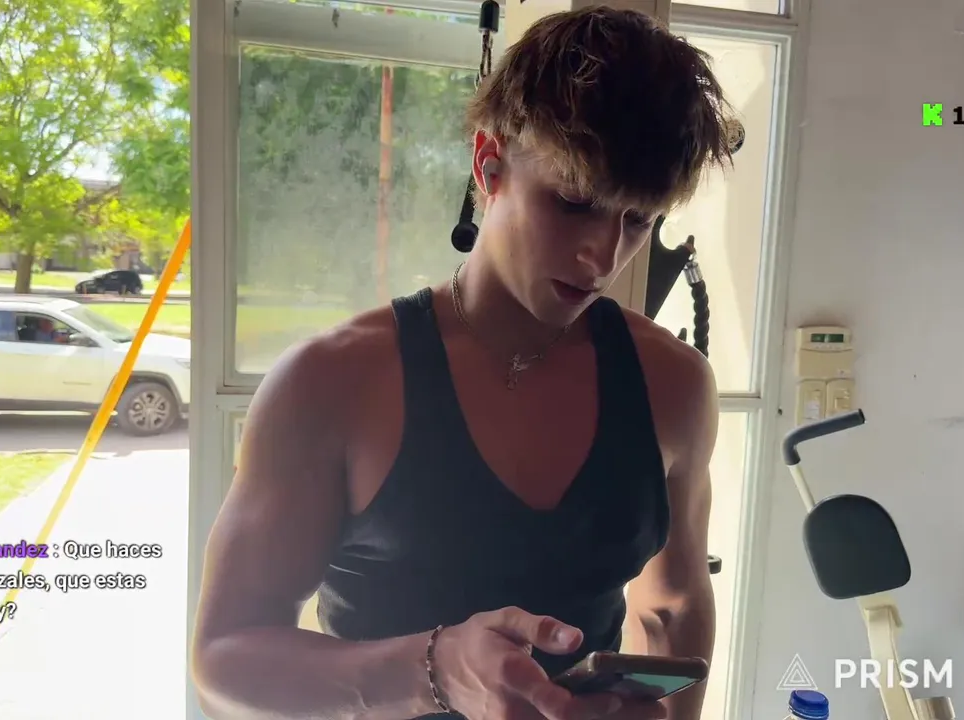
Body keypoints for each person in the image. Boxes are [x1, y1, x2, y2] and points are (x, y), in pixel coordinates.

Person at [191, 6, 736, 720]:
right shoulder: (333, 383)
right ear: (489, 164)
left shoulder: (674, 386)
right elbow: (224, 658)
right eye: (573, 203)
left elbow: (672, 606)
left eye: (637, 220)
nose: (603, 257)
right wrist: (435, 670)